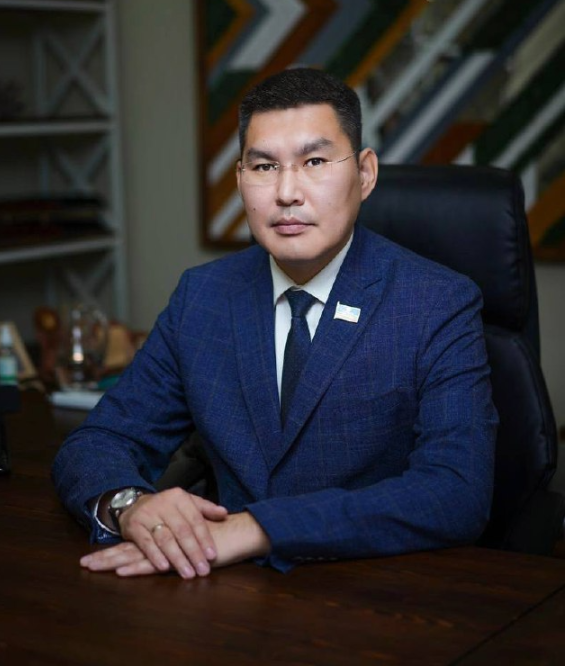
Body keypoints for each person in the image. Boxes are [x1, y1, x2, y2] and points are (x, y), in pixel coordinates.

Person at [52, 67, 497, 579]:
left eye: (314, 162)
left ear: (365, 174)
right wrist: (129, 505)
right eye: (263, 167)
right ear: (240, 179)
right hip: (216, 589)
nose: (286, 192)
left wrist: (256, 529)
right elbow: (98, 441)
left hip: (369, 589)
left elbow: (455, 492)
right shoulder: (203, 297)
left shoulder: (436, 303)